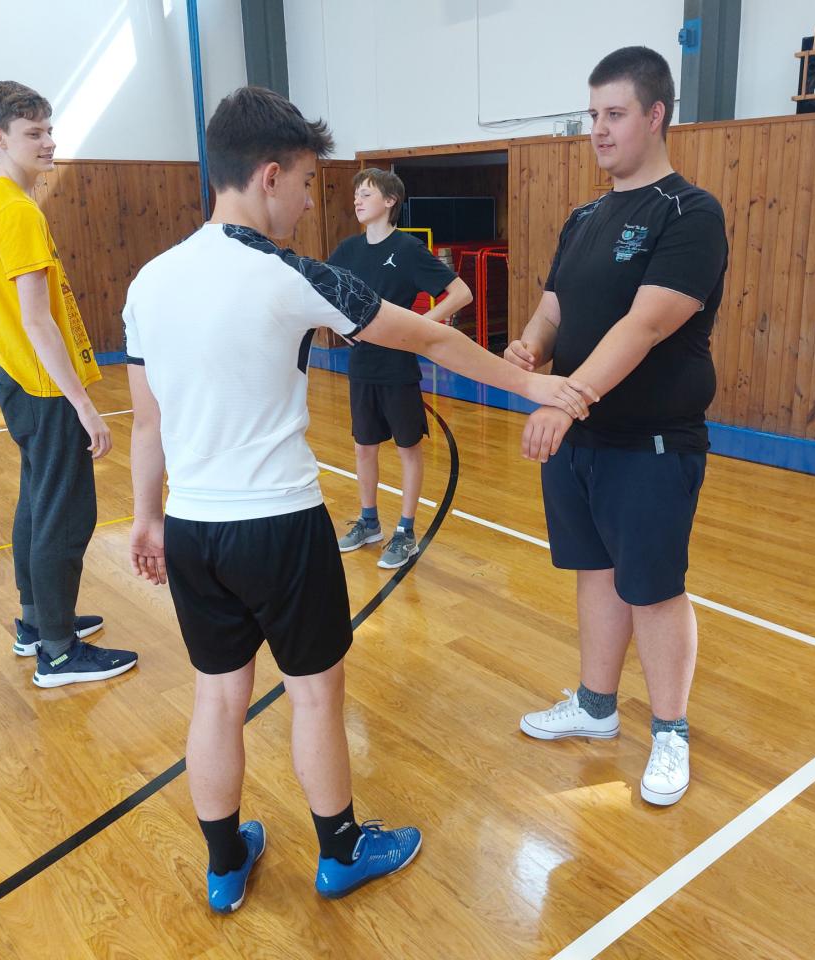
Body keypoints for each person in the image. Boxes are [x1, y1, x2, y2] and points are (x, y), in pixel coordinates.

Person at [123, 85, 596, 912]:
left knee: (217, 697)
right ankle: (340, 852)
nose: (312, 203)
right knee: (314, 694)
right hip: (279, 526)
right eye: (308, 183)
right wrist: (534, 387)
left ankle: (225, 865)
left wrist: (145, 515)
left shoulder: (148, 282)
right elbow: (432, 335)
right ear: (269, 176)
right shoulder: (287, 274)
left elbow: (146, 422)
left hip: (195, 529)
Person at [507, 47, 728, 807]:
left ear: (656, 115)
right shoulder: (584, 217)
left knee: (654, 589)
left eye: (614, 114)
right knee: (595, 572)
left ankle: (670, 731)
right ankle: (596, 706)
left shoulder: (690, 214)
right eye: (592, 115)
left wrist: (562, 400)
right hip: (583, 443)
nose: (598, 129)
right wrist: (529, 347)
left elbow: (646, 324)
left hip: (651, 443)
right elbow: (555, 307)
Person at [0, 80, 136, 687]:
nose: (48, 142)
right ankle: (60, 653)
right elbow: (38, 321)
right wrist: (85, 405)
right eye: (34, 133)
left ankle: (37, 624)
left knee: (37, 505)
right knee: (64, 517)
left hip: (19, 380)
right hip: (43, 388)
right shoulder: (18, 211)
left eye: (49, 130)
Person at [329, 168, 473, 569]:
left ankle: (406, 531)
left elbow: (461, 292)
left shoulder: (408, 249)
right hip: (361, 367)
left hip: (398, 369)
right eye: (356, 194)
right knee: (363, 447)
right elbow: (325, 292)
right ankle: (369, 522)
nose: (357, 200)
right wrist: (341, 326)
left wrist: (421, 326)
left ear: (390, 201)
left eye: (367, 193)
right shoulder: (348, 250)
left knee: (407, 448)